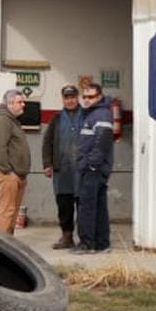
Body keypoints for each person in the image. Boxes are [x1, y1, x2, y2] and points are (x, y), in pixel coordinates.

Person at [41, 85, 85, 249]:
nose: (70, 100)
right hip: (63, 171)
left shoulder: (86, 116)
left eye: (73, 97)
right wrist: (47, 164)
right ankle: (67, 237)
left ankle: (84, 239)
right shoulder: (57, 119)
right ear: (63, 99)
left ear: (77, 97)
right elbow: (47, 142)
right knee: (64, 206)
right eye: (67, 98)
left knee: (83, 205)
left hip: (82, 170)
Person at [74, 83, 114, 254]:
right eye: (85, 97)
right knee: (98, 206)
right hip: (95, 168)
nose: (87, 100)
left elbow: (102, 141)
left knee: (87, 206)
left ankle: (87, 244)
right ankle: (102, 243)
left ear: (99, 97)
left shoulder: (101, 114)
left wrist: (91, 164)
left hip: (93, 169)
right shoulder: (93, 114)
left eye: (91, 97)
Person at [0, 89, 30, 234]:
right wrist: (8, 173)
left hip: (16, 176)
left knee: (11, 215)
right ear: (10, 103)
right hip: (7, 175)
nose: (23, 105)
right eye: (20, 102)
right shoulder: (2, 121)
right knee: (5, 214)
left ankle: (7, 248)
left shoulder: (11, 121)